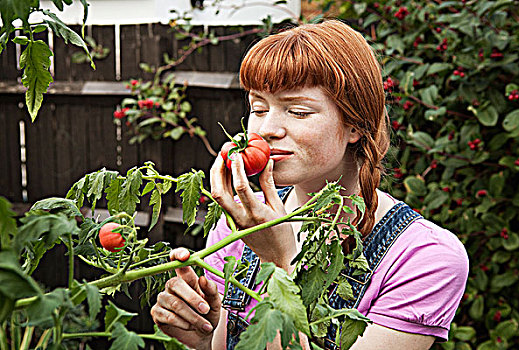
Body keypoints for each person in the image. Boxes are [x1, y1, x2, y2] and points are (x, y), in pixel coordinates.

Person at [150, 19, 469, 350]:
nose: (267, 128)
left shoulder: (426, 258)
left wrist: (279, 262)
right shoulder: (237, 226)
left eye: (298, 111)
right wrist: (200, 339)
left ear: (355, 126)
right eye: (258, 107)